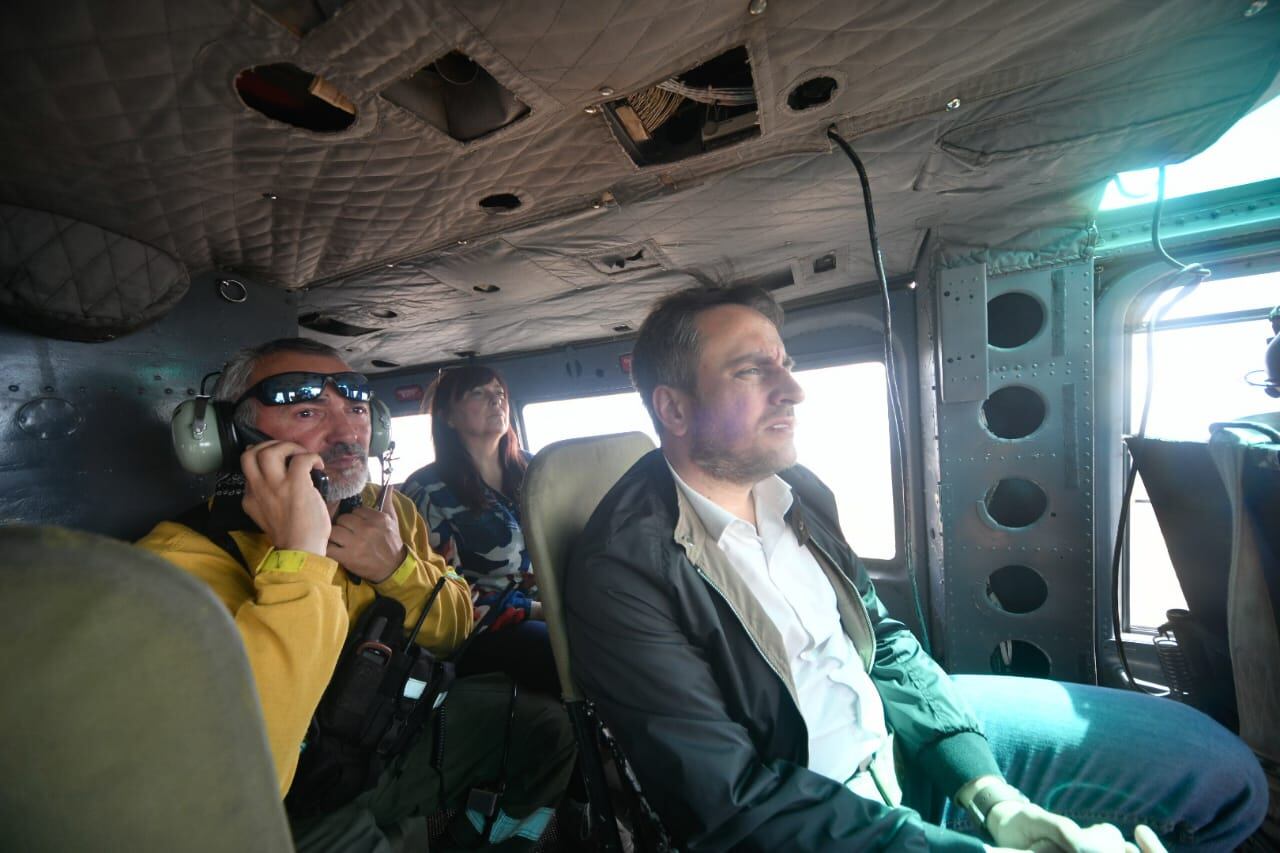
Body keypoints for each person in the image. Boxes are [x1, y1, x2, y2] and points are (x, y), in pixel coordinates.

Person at [564, 286, 1267, 852]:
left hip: (898, 737)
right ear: (675, 408)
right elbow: (730, 806)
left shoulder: (796, 492)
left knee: (1229, 781)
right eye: (753, 370)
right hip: (815, 804)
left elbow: (884, 640)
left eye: (787, 364)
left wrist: (990, 792)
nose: (794, 391)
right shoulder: (624, 572)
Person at [137, 338, 574, 853]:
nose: (347, 432)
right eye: (307, 410)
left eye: (357, 409)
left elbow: (456, 629)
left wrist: (397, 568)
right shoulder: (174, 565)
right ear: (228, 435)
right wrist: (300, 556)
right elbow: (238, 772)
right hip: (297, 796)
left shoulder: (388, 512)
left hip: (396, 733)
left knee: (547, 729)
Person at [402, 366, 557, 694]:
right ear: (448, 418)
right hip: (485, 628)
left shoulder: (536, 470)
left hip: (556, 608)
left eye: (499, 394)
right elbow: (443, 591)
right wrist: (542, 611)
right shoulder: (428, 490)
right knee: (558, 650)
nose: (496, 401)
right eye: (479, 394)